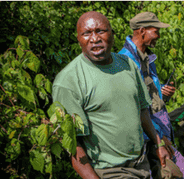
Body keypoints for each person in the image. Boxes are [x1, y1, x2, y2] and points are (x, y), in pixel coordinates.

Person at [52, 11, 172, 178]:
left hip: (141, 163)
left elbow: (143, 109)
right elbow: (74, 146)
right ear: (79, 39)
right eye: (86, 33)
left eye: (100, 31)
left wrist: (158, 144)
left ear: (112, 33)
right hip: (110, 171)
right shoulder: (68, 81)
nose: (94, 39)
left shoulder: (127, 65)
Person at [119, 12, 184, 179]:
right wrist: (157, 139)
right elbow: (134, 106)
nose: (158, 36)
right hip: (148, 134)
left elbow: (148, 94)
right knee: (183, 173)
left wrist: (162, 91)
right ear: (142, 30)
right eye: (156, 31)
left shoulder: (146, 58)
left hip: (159, 128)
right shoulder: (125, 61)